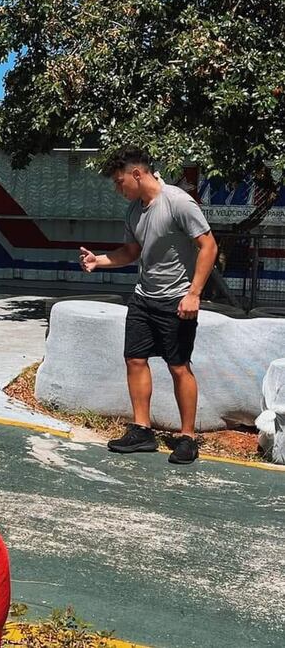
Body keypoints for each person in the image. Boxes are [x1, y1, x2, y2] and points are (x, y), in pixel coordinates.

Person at [79, 147, 218, 465]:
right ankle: (142, 431)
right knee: (135, 360)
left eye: (119, 181)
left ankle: (187, 437)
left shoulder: (178, 202)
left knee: (179, 367)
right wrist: (98, 260)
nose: (118, 189)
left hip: (176, 299)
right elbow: (130, 253)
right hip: (143, 298)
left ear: (137, 174)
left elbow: (208, 245)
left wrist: (194, 293)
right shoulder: (134, 212)